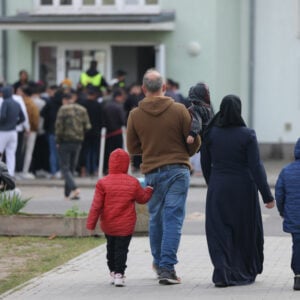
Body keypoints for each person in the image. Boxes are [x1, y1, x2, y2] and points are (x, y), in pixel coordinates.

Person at [126, 69, 201, 285]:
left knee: (156, 218)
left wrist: (150, 148)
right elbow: (193, 141)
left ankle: (159, 264)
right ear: (164, 87)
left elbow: (132, 147)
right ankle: (168, 269)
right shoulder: (179, 110)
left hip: (151, 172)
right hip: (178, 170)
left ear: (143, 89)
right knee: (173, 219)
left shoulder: (135, 114)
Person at [201, 94, 275, 287]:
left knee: (219, 230)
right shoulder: (247, 134)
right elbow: (256, 166)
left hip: (218, 187)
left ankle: (222, 270)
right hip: (243, 188)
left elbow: (205, 163)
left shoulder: (211, 134)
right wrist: (267, 195)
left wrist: (213, 183)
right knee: (243, 229)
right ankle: (242, 268)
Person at [86, 148, 153, 287]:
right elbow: (142, 199)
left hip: (108, 224)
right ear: (126, 164)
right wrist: (149, 189)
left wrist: (91, 225)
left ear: (110, 163)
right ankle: (119, 274)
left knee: (110, 248)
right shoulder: (132, 182)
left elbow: (96, 206)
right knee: (122, 249)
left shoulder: (102, 182)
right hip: (126, 225)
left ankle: (112, 271)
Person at [55, 93, 91, 200]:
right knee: (71, 167)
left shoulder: (63, 109)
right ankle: (67, 193)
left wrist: (58, 140)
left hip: (65, 141)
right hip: (78, 141)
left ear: (64, 100)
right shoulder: (82, 109)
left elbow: (59, 127)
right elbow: (88, 126)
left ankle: (75, 188)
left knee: (64, 167)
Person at [275, 138, 300, 291]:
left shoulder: (287, 170)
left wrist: (283, 211)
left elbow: (279, 194)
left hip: (295, 217)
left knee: (297, 246)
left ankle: (298, 276)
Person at [0, 85, 25, 176]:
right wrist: (14, 123)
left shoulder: (5, 102)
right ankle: (10, 174)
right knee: (11, 154)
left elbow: (2, 116)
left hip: (3, 131)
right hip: (13, 132)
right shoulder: (17, 103)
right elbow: (22, 118)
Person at [102, 88, 126, 174]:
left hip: (107, 133)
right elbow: (123, 120)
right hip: (117, 132)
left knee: (107, 152)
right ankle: (117, 169)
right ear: (118, 97)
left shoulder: (106, 105)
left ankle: (106, 169)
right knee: (118, 152)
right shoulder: (118, 107)